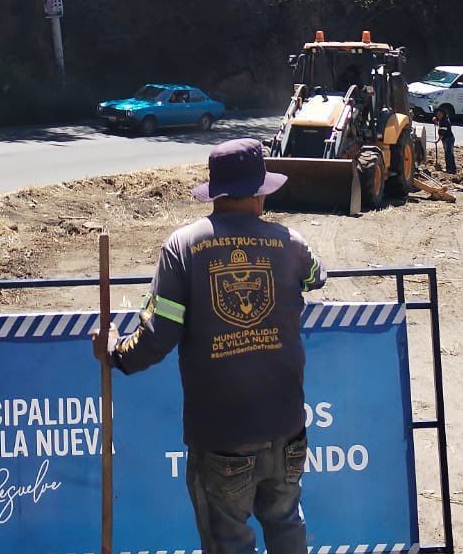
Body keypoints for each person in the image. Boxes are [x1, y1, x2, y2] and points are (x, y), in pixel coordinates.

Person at [95, 138, 328, 554]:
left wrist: (115, 352)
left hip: (223, 437)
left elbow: (156, 338)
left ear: (215, 191)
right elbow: (316, 276)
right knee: (286, 525)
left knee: (228, 544)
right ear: (260, 192)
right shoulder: (289, 242)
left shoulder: (183, 248)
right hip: (286, 429)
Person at [436, 110, 457, 174]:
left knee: (448, 154)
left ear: (442, 114)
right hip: (448, 138)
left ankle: (450, 169)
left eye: (439, 115)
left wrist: (437, 140)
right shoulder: (443, 120)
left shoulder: (444, 121)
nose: (437, 116)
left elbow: (442, 132)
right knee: (449, 153)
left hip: (448, 139)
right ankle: (452, 168)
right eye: (437, 115)